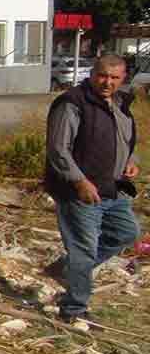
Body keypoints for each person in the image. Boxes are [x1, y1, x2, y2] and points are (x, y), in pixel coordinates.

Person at [44, 54, 140, 323]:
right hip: (79, 191)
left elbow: (124, 141)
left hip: (113, 188)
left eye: (114, 77)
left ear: (123, 78)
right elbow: (58, 149)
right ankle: (73, 310)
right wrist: (79, 181)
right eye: (102, 76)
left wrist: (131, 161)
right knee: (83, 249)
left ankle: (69, 269)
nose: (107, 82)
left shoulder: (120, 103)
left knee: (126, 233)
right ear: (92, 74)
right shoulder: (72, 103)